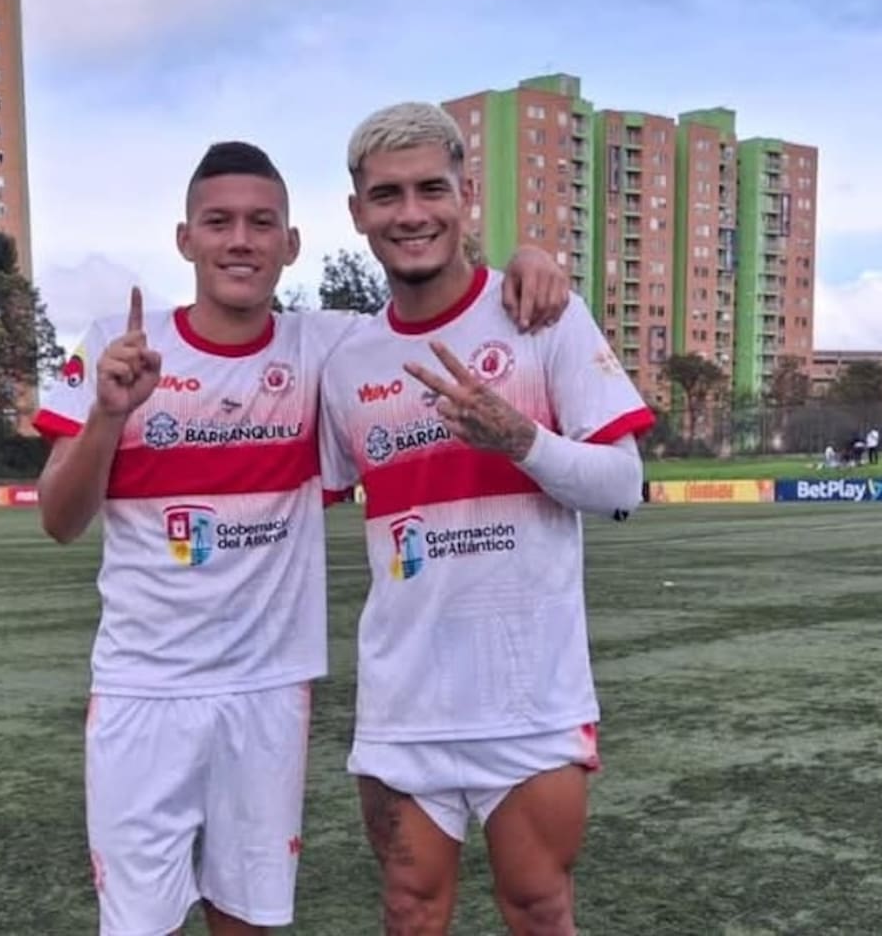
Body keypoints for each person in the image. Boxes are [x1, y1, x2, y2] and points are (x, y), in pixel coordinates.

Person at [32, 139, 571, 936]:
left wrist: (527, 260)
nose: (240, 241)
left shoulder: (329, 347)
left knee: (248, 919)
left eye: (261, 223)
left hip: (271, 688)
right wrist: (110, 416)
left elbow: (432, 300)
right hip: (143, 689)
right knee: (137, 925)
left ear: (290, 244)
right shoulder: (118, 344)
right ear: (185, 238)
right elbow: (59, 518)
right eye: (218, 222)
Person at [319, 102, 656, 935]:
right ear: (358, 212)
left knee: (538, 908)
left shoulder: (542, 316)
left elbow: (623, 484)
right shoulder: (346, 360)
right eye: (387, 195)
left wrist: (520, 439)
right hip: (403, 704)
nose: (411, 213)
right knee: (409, 911)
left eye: (431, 188)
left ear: (465, 196)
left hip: (529, 699)